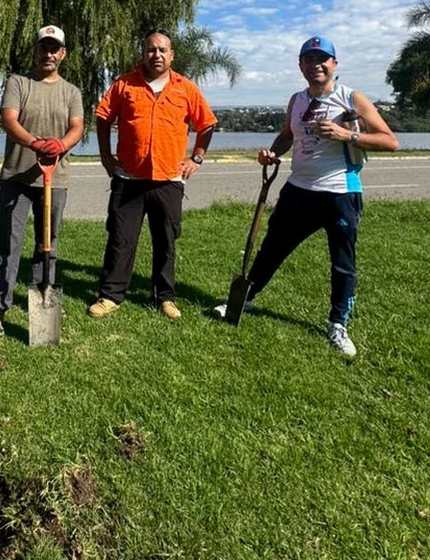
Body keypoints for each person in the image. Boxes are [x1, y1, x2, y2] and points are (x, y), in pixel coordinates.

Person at [212, 36, 399, 358]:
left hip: (340, 192)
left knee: (342, 263)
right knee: (272, 249)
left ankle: (337, 324)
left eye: (322, 59)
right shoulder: (296, 100)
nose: (316, 65)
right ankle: (245, 300)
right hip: (298, 190)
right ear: (301, 66)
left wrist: (347, 134)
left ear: (334, 64)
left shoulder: (351, 98)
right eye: (309, 60)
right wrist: (273, 152)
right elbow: (287, 135)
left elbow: (390, 141)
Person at [88, 29, 217, 321]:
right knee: (121, 239)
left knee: (166, 241)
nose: (156, 55)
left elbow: (206, 124)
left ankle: (165, 297)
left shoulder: (186, 88)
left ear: (171, 55)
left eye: (162, 50)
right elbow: (103, 117)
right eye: (151, 50)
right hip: (128, 179)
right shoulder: (124, 84)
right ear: (143, 53)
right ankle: (110, 296)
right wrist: (107, 156)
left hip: (169, 179)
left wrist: (196, 157)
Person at [0, 25, 85, 339]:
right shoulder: (18, 82)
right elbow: (9, 120)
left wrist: (62, 144)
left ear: (63, 54)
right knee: (7, 245)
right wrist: (35, 143)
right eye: (44, 48)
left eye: (55, 49)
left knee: (47, 244)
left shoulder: (72, 92)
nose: (48, 54)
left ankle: (43, 294)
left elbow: (77, 127)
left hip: (56, 179)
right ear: (36, 51)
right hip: (17, 175)